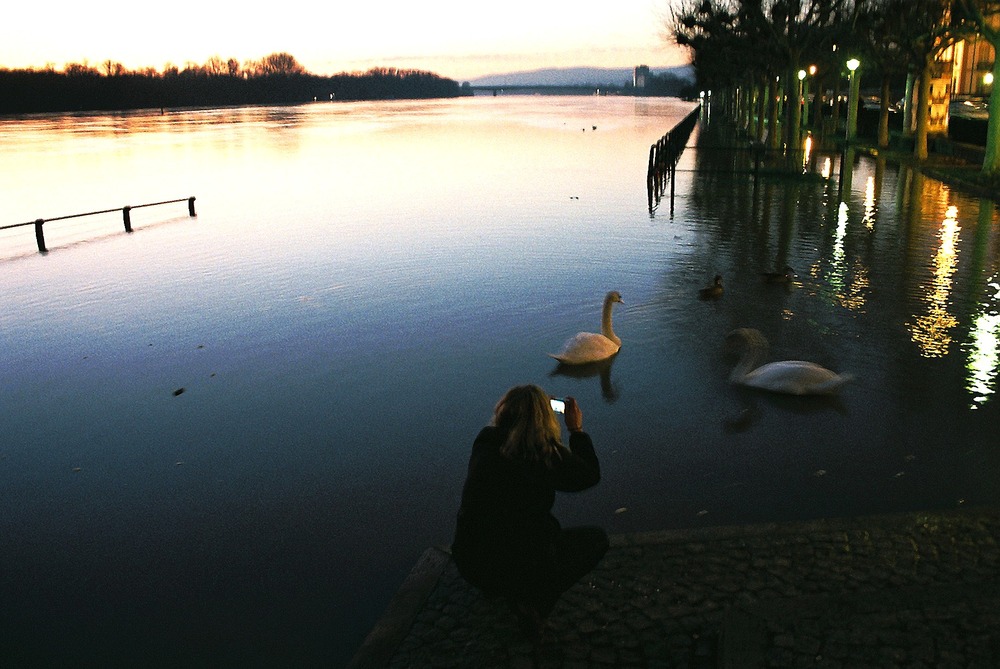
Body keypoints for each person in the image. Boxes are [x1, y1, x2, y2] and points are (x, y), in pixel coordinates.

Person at [451, 384, 609, 639]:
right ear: (543, 420)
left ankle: (498, 589)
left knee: (501, 534)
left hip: (469, 560)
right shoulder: (540, 453)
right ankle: (533, 603)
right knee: (596, 540)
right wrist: (576, 430)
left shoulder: (485, 441)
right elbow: (589, 475)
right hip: (519, 563)